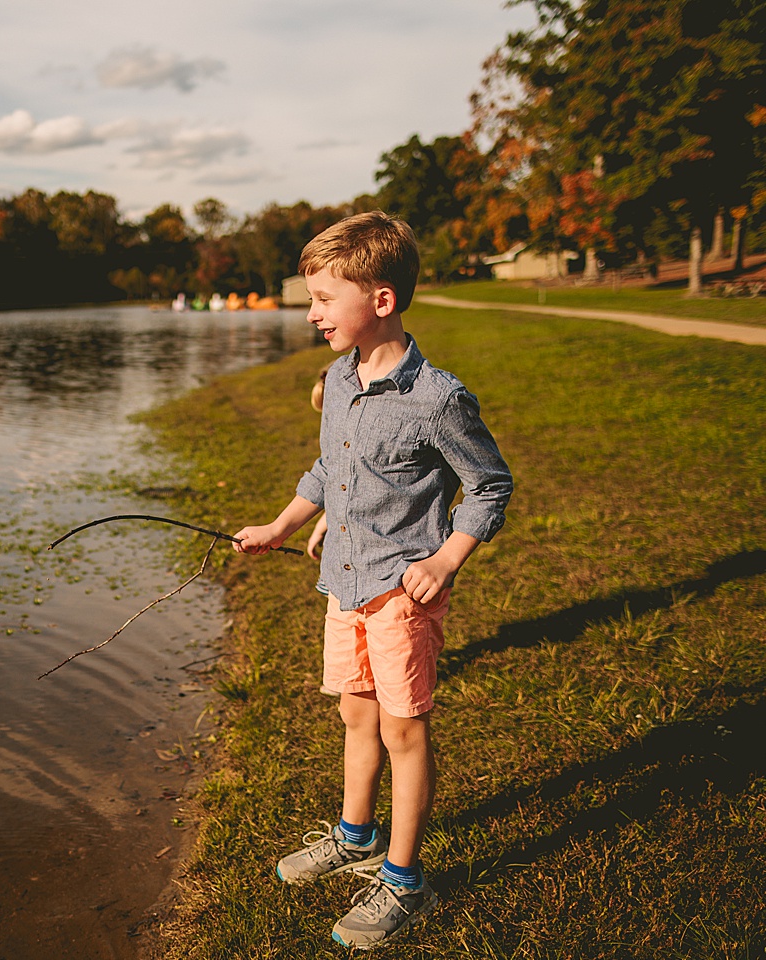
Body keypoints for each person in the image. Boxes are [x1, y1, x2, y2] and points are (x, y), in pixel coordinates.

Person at [232, 211, 512, 949]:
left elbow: (489, 487)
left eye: (324, 298)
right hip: (343, 584)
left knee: (402, 728)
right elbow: (332, 470)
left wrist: (445, 559)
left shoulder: (438, 398)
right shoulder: (336, 377)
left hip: (399, 592)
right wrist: (281, 526)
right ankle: (356, 834)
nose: (312, 311)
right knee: (356, 715)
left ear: (380, 300)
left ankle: (405, 878)